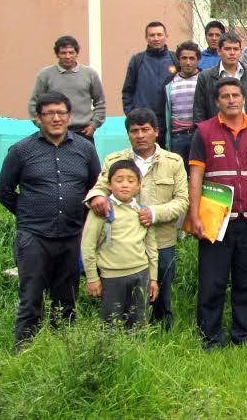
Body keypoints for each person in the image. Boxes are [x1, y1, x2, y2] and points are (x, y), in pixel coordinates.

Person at [0, 92, 101, 348]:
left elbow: (95, 189)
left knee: (66, 300)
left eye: (61, 113)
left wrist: (82, 221)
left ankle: (62, 352)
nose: (56, 118)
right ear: (38, 118)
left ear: (69, 116)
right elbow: (4, 191)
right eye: (49, 113)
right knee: (31, 298)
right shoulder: (22, 150)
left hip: (70, 236)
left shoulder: (85, 149)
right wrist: (29, 213)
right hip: (34, 237)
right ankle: (25, 353)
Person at [85, 108, 189, 330]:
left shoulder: (173, 162)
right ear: (128, 134)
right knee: (122, 302)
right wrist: (95, 198)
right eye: (134, 131)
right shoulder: (115, 160)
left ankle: (162, 337)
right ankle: (120, 340)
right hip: (121, 247)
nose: (140, 135)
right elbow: (99, 188)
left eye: (145, 130)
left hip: (161, 241)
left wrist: (153, 213)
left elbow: (182, 200)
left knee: (160, 294)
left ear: (156, 132)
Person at [187, 78, 247, 349]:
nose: (231, 100)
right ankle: (210, 336)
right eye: (225, 96)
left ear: (244, 98)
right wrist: (195, 215)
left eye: (236, 95)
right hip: (216, 221)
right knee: (213, 280)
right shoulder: (204, 132)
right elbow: (196, 176)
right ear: (217, 102)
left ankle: (244, 334)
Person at [81, 160, 158, 330]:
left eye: (131, 181)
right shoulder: (102, 211)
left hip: (141, 274)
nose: (125, 185)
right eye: (119, 180)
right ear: (109, 185)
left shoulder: (142, 212)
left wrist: (153, 278)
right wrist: (93, 278)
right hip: (112, 277)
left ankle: (136, 354)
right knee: (111, 323)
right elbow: (88, 246)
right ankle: (111, 355)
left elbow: (151, 247)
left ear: (139, 185)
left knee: (138, 321)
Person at [28, 36, 105, 143]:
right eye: (63, 53)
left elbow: (100, 102)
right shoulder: (45, 75)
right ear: (57, 54)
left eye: (71, 52)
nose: (67, 56)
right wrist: (41, 124)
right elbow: (34, 103)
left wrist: (93, 125)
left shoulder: (90, 74)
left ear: (76, 53)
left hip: (83, 132)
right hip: (53, 132)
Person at [193, 32, 247, 133]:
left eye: (236, 49)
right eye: (227, 49)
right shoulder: (205, 77)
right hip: (217, 135)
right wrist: (203, 136)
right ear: (219, 51)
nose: (232, 53)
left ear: (241, 51)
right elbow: (199, 111)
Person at [156, 41, 201, 163]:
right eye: (184, 58)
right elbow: (161, 112)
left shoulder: (205, 80)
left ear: (198, 60)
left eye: (192, 58)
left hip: (199, 136)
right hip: (177, 138)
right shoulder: (169, 83)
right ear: (178, 60)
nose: (188, 62)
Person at [122, 21, 177, 116]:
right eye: (152, 35)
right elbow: (128, 91)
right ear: (146, 38)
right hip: (143, 118)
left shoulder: (176, 59)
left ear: (166, 36)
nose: (156, 39)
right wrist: (130, 114)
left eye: (159, 35)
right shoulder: (137, 60)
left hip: (169, 118)